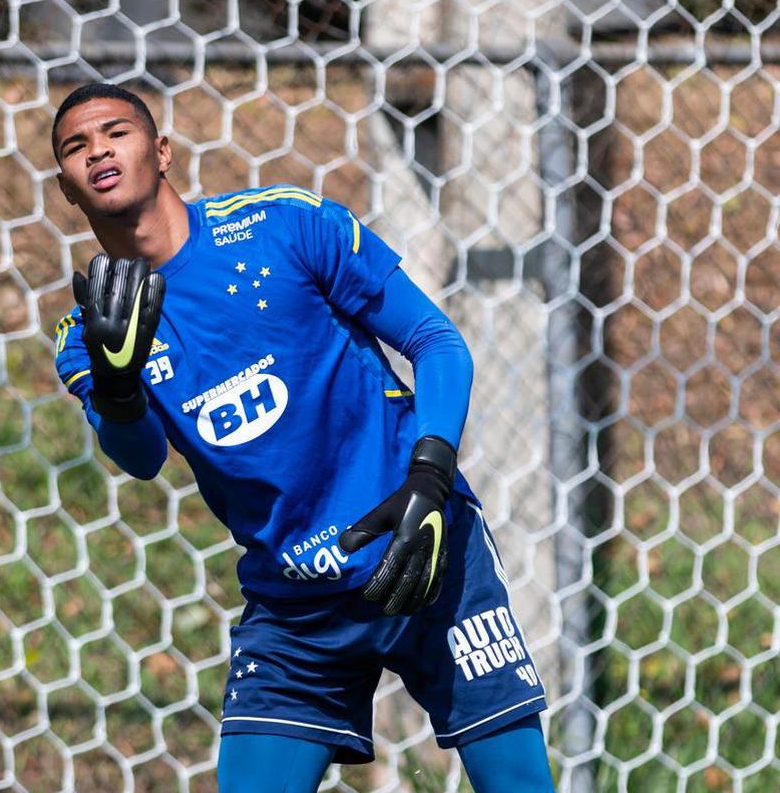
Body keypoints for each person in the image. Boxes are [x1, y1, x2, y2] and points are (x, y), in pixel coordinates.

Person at [50, 82, 555, 792]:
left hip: (425, 545)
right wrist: (118, 383)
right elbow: (140, 458)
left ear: (161, 151)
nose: (97, 151)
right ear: (66, 189)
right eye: (75, 146)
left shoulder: (283, 226)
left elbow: (436, 342)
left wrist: (430, 478)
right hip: (296, 605)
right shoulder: (85, 335)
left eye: (115, 132)